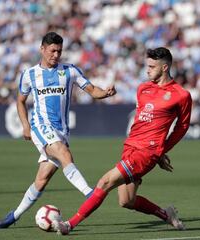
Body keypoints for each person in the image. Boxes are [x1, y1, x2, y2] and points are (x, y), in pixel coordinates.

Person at [53, 47, 192, 235]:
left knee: (104, 182)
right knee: (126, 201)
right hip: (130, 147)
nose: (147, 70)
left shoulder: (181, 95)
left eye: (152, 66)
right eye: (147, 65)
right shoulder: (143, 88)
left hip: (146, 152)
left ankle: (69, 225)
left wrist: (161, 150)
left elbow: (182, 127)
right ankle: (166, 214)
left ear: (165, 67)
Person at [0, 32, 116, 229]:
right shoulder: (29, 74)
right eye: (52, 51)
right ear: (42, 49)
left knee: (41, 181)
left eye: (59, 51)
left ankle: (13, 216)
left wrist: (106, 93)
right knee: (64, 154)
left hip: (62, 132)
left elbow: (92, 90)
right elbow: (20, 101)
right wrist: (25, 125)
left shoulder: (70, 71)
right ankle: (91, 194)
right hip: (41, 127)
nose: (56, 55)